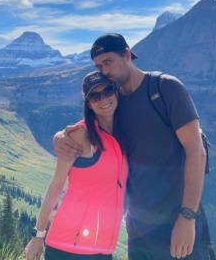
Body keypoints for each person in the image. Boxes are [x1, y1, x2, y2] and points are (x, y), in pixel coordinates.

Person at [54, 33, 208, 260]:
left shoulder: (165, 89)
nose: (104, 71)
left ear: (127, 55)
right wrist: (59, 138)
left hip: (176, 220)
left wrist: (187, 217)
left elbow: (196, 151)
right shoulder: (113, 102)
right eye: (98, 65)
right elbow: (87, 130)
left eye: (108, 61)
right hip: (139, 228)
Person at [25, 71, 128, 260]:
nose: (103, 98)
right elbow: (56, 184)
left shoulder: (124, 135)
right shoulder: (81, 135)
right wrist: (38, 236)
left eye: (107, 91)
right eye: (95, 96)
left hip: (103, 249)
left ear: (116, 92)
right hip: (67, 247)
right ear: (88, 103)